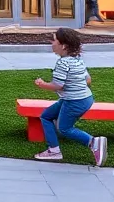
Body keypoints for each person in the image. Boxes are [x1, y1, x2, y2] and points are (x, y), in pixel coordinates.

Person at [32, 27, 107, 166]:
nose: (51, 43)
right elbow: (88, 79)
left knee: (65, 128)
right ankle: (54, 150)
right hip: (84, 98)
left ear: (63, 45)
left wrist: (42, 84)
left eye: (54, 40)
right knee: (46, 116)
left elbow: (57, 85)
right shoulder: (77, 59)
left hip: (75, 101)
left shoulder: (63, 63)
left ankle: (93, 142)